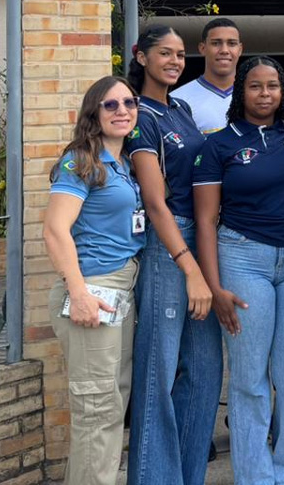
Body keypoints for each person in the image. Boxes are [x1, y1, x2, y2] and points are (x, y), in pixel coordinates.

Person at [195, 56, 284, 485]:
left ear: (283, 92)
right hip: (243, 258)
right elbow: (207, 220)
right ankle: (255, 477)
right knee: (249, 378)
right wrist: (214, 286)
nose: (265, 94)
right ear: (240, 91)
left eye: (273, 86)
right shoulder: (218, 144)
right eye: (255, 87)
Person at [127, 25, 223, 485]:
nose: (174, 61)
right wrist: (190, 268)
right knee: (158, 375)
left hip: (203, 238)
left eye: (180, 54)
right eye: (164, 53)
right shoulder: (138, 113)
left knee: (204, 372)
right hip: (169, 247)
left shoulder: (181, 107)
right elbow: (154, 201)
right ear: (140, 56)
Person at [44, 76, 144, 485]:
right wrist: (79, 291)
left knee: (111, 405)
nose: (122, 110)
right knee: (98, 408)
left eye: (129, 102)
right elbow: (54, 230)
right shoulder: (80, 161)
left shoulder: (123, 162)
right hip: (93, 289)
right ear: (93, 113)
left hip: (121, 288)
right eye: (110, 105)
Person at [173, 17, 244, 134]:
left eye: (232, 43)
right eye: (216, 43)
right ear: (202, 48)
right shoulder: (178, 100)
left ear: (240, 49)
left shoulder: (256, 96)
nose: (224, 50)